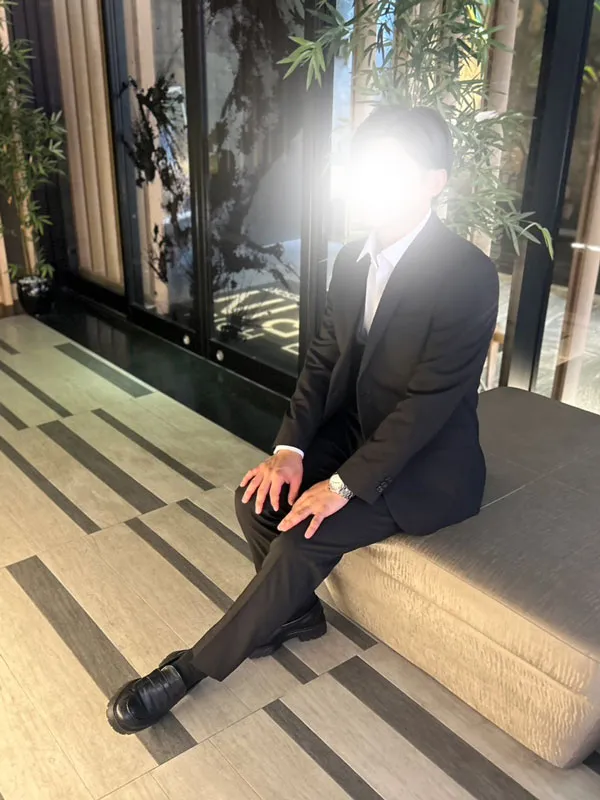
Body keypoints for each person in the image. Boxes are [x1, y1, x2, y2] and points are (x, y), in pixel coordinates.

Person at [106, 105, 499, 734]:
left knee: (300, 538)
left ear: (434, 181)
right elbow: (322, 360)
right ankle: (296, 614)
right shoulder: (353, 260)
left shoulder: (467, 275)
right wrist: (289, 450)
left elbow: (428, 405)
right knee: (256, 498)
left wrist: (340, 485)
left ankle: (188, 671)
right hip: (360, 428)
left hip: (426, 460)